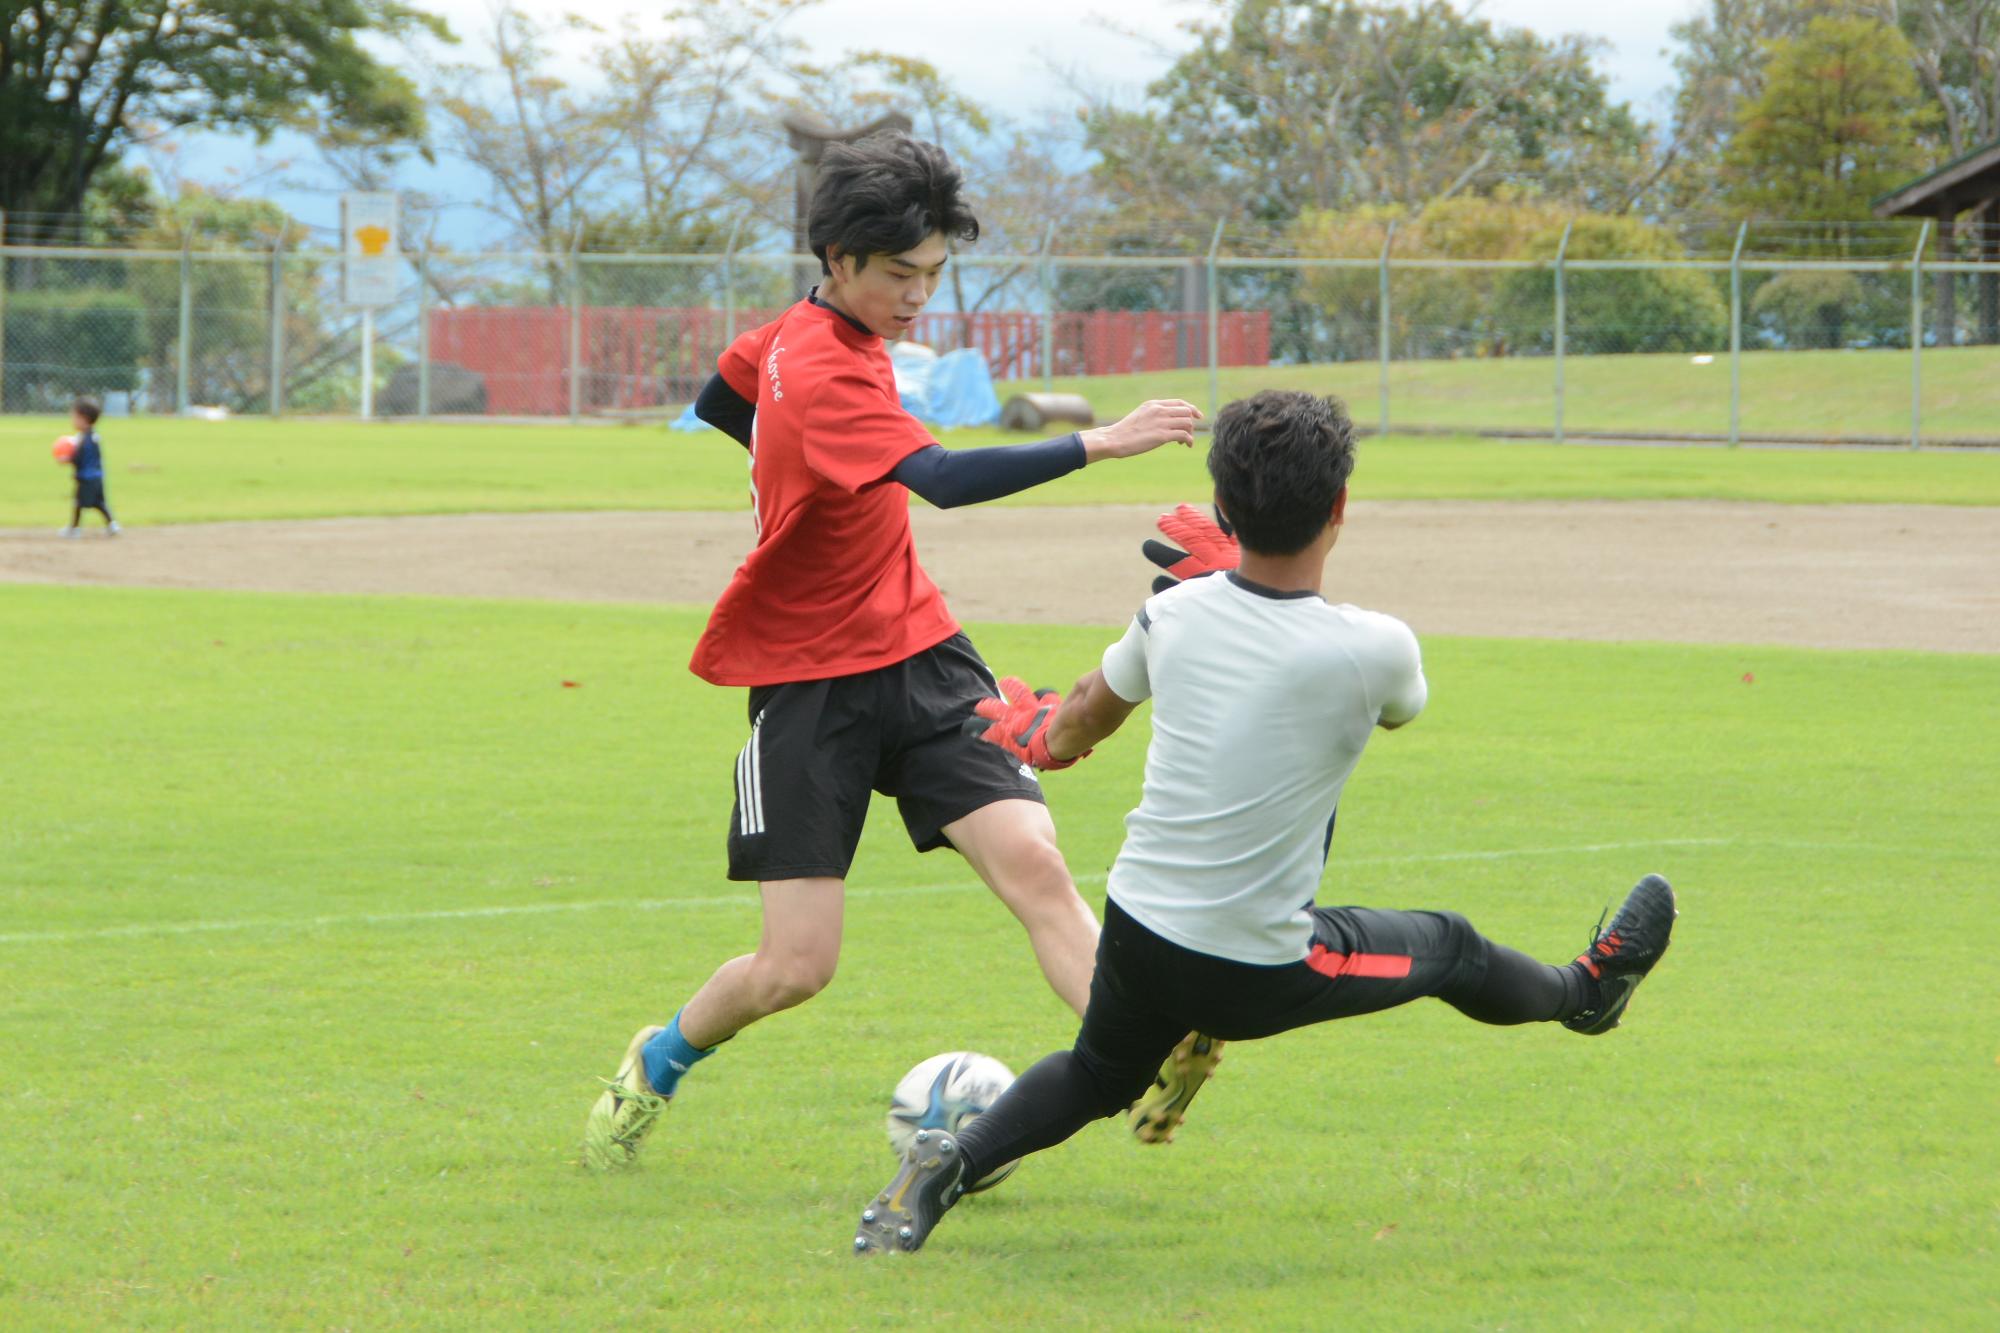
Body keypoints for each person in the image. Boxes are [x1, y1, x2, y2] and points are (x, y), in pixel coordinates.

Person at [851, 389, 1678, 1255]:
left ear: (1220, 510)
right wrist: (1232, 579)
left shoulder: (1169, 614)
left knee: (1100, 1070)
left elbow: (1077, 721)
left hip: (1136, 930)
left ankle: (949, 1165)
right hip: (1258, 964)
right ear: (1341, 508)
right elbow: (1376, 695)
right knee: (1456, 949)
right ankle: (1589, 994)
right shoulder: (1379, 647)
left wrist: (1042, 731)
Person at [581, 131, 1219, 1171]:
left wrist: (793, 477)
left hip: (923, 656)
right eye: (897, 276)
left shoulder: (788, 335)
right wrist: (1099, 440)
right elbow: (945, 481)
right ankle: (653, 1064)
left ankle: (1146, 1048)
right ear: (836, 259)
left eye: (932, 274)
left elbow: (720, 398)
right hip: (805, 686)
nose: (917, 296)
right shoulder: (827, 371)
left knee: (1033, 863)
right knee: (794, 966)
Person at [61, 397, 120, 538]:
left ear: (84, 419)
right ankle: (112, 525)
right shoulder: (92, 436)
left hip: (87, 478)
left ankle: (74, 529)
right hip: (97, 476)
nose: (72, 420)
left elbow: (79, 458)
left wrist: (67, 458)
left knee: (79, 503)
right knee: (99, 503)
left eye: (75, 417)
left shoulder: (85, 439)